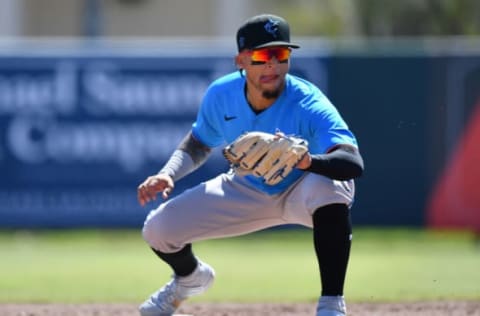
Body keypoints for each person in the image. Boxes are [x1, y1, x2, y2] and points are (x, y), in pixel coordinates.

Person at [137, 13, 364, 316]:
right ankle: (190, 279)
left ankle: (331, 305)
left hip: (300, 188)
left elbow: (352, 162)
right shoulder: (222, 94)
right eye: (261, 55)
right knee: (157, 229)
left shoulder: (308, 101)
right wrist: (168, 174)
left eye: (280, 54)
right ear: (240, 60)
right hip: (247, 186)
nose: (272, 65)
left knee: (331, 184)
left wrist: (309, 161)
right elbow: (199, 143)